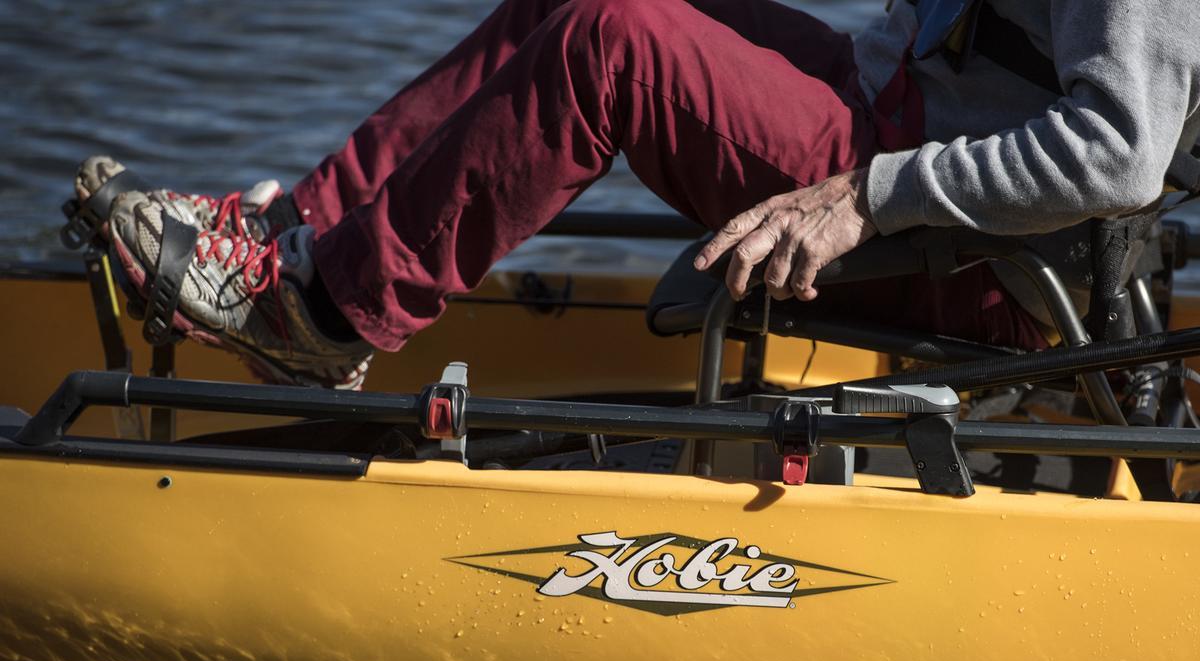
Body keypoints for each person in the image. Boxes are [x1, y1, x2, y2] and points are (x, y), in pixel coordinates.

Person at [75, 0, 1200, 390]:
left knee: (615, 46)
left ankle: (322, 320)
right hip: (895, 117)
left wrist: (866, 194)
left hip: (973, 257)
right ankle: (298, 245)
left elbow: (1119, 155)